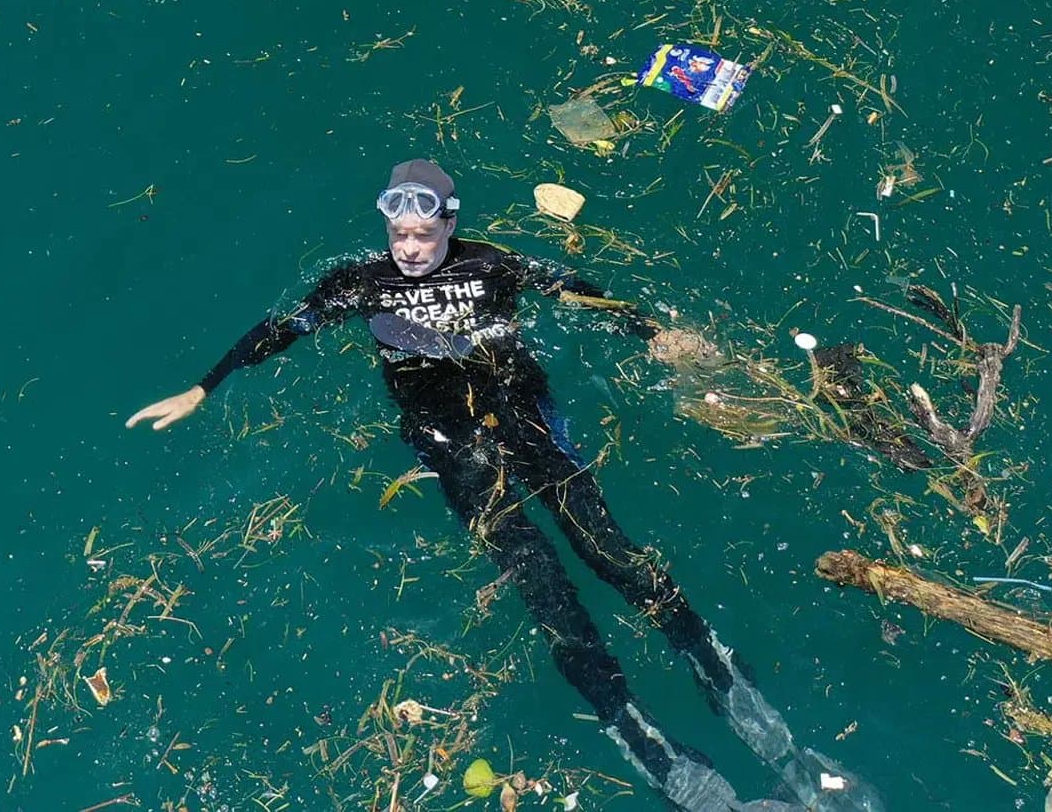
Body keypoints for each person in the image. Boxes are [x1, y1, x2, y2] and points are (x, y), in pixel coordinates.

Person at [128, 160, 883, 812]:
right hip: (452, 444)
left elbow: (577, 291)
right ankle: (655, 750)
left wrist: (655, 335)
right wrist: (205, 387)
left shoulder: (491, 264)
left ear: (449, 224)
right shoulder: (360, 284)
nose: (412, 248)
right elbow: (283, 328)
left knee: (616, 557)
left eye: (424, 235)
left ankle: (769, 733)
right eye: (400, 236)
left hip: (526, 420)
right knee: (544, 589)